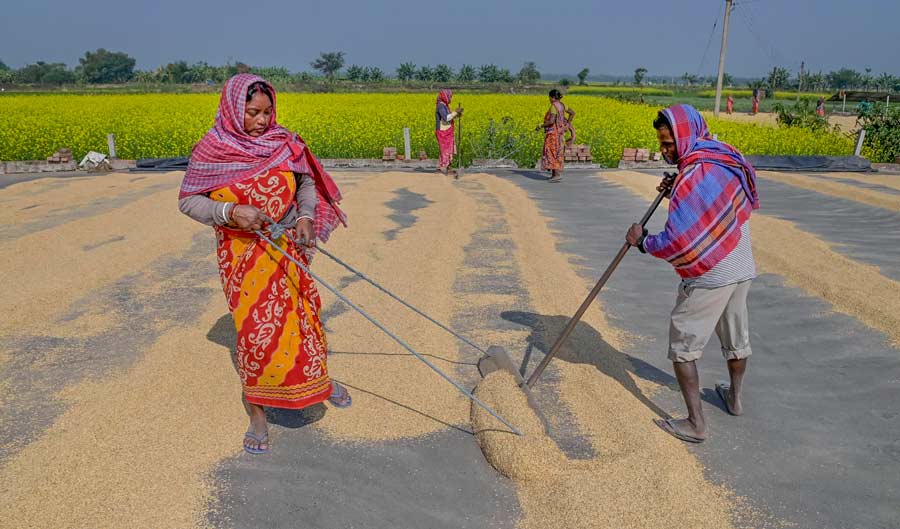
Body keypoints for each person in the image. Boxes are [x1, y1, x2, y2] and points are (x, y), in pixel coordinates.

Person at [178, 74, 351, 455]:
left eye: (267, 112)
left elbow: (305, 182)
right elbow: (189, 200)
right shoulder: (212, 150)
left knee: (304, 319)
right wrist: (230, 211)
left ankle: (320, 383)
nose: (261, 121)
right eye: (252, 112)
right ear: (232, 109)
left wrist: (305, 216)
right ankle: (258, 412)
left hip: (288, 243)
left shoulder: (284, 142)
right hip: (243, 256)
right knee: (257, 332)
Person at [625, 104, 759, 444]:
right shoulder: (719, 155)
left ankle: (695, 423)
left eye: (669, 143)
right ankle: (735, 398)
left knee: (683, 343)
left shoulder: (691, 175)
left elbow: (680, 240)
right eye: (661, 143)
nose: (664, 150)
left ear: (684, 135)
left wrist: (642, 241)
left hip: (711, 274)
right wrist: (678, 187)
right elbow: (713, 203)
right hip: (741, 263)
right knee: (735, 335)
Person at [538, 89, 575, 183]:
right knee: (557, 152)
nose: (549, 99)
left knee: (552, 152)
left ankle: (557, 174)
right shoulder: (562, 105)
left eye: (549, 97)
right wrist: (567, 124)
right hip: (560, 133)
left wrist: (540, 126)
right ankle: (554, 175)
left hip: (553, 133)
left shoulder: (554, 106)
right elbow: (572, 113)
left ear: (552, 97)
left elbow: (551, 121)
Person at [435, 89, 463, 175]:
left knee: (449, 149)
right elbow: (446, 118)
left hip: (447, 131)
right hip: (443, 132)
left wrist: (457, 114)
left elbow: (449, 118)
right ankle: (442, 168)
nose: (451, 98)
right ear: (445, 96)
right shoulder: (440, 106)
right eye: (450, 96)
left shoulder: (445, 105)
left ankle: (447, 167)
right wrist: (455, 112)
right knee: (445, 150)